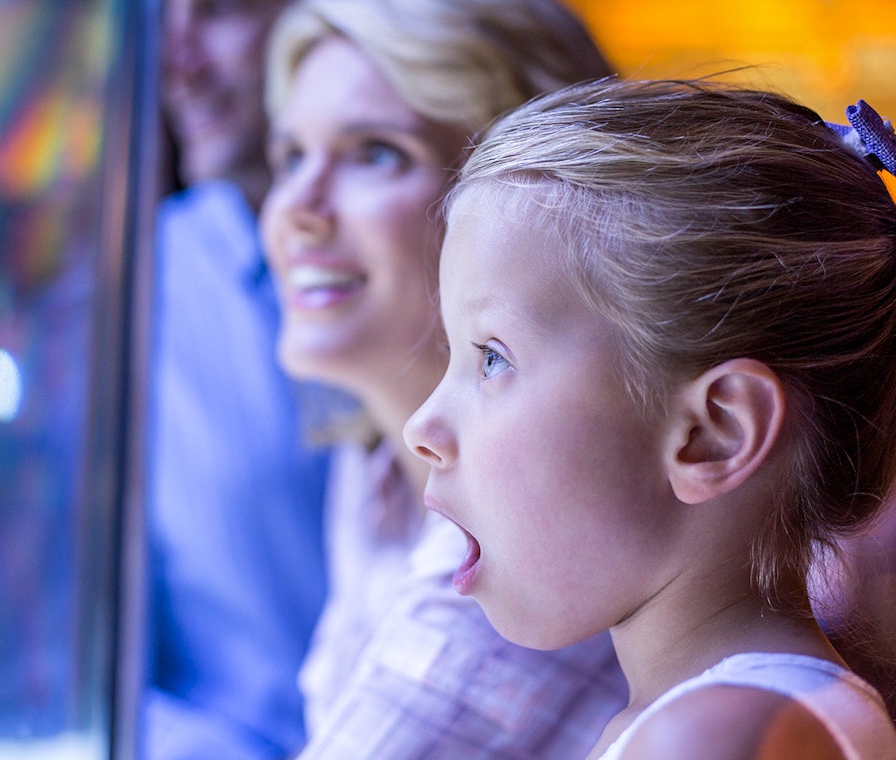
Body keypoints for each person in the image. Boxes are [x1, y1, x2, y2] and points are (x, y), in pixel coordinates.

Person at [406, 76, 896, 759]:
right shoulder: (704, 720)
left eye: (491, 359)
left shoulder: (721, 738)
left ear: (716, 432)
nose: (420, 428)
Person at [258, 1, 627, 757]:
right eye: (291, 158)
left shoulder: (527, 523)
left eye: (375, 153)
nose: (297, 208)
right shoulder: (374, 478)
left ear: (523, 197)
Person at [144, 1, 332, 758]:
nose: (178, 61)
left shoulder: (456, 267)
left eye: (220, 10)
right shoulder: (128, 298)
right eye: (158, 21)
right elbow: (58, 657)